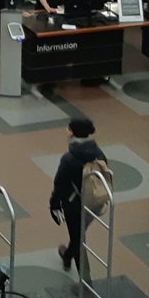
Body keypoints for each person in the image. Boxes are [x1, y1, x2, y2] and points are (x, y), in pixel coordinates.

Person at [48, 117, 107, 275]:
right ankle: (67, 255)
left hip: (74, 204)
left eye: (68, 128)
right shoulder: (99, 153)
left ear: (73, 132)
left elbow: (59, 184)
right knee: (78, 235)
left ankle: (86, 283)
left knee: (78, 239)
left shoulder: (68, 159)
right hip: (95, 202)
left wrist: (54, 205)